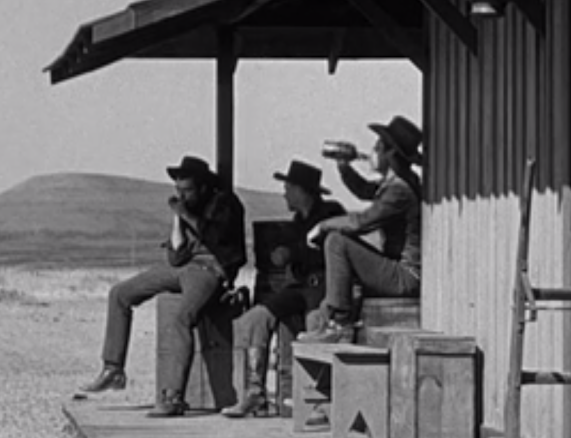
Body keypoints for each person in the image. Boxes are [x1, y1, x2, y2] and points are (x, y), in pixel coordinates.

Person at [75, 155, 247, 417]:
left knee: (181, 318)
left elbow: (216, 238)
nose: (182, 196)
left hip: (210, 270)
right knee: (120, 294)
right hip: (184, 267)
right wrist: (177, 220)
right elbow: (175, 257)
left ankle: (173, 397)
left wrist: (184, 213)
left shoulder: (225, 204)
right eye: (178, 190)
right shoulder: (186, 209)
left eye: (187, 190)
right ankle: (113, 368)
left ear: (203, 187)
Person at [221, 160, 346, 419]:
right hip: (301, 287)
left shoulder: (331, 214)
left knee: (316, 326)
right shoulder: (298, 221)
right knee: (254, 319)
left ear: (301, 191)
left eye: (288, 188)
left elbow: (332, 253)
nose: (284, 194)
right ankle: (255, 392)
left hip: (325, 287)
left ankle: (320, 401)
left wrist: (292, 253)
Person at [296, 115, 424, 348]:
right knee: (341, 245)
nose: (372, 151)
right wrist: (344, 167)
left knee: (337, 242)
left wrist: (322, 226)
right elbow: (365, 190)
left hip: (405, 276)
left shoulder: (400, 190)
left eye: (378, 146)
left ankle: (339, 324)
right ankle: (335, 315)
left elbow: (361, 222)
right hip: (400, 271)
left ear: (390, 154)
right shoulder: (400, 182)